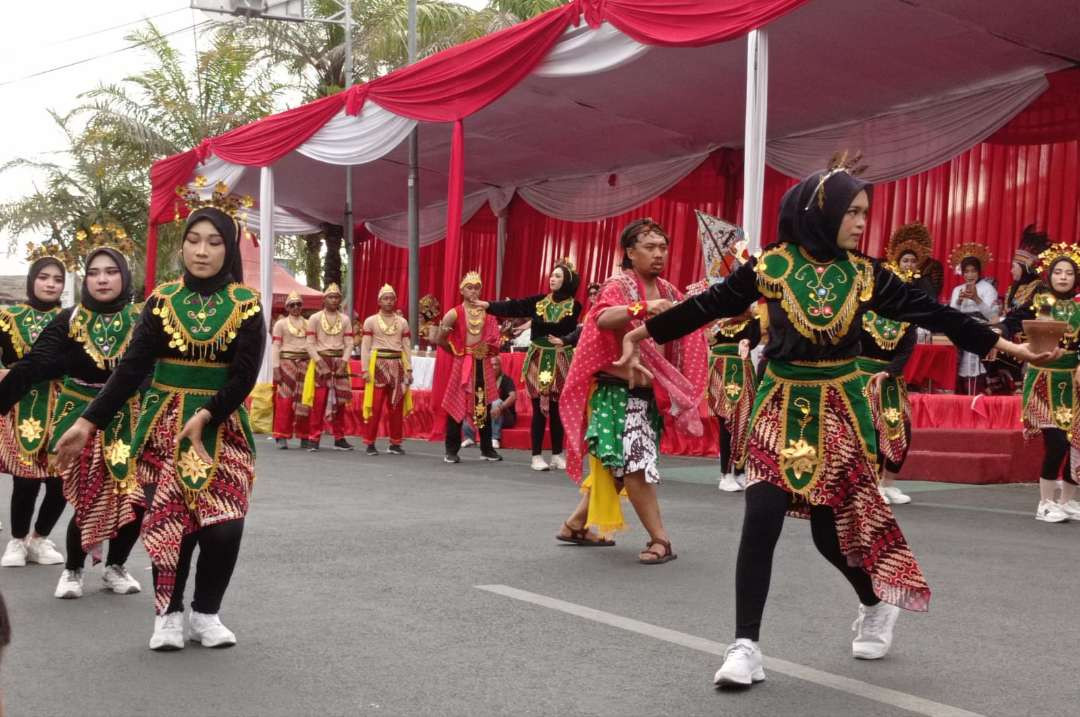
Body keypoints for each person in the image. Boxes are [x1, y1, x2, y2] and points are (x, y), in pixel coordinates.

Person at [615, 160, 1054, 687]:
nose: (862, 222)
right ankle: (745, 646)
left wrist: (1007, 346)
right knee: (762, 518)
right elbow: (708, 305)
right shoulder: (770, 266)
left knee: (830, 533)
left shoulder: (866, 274)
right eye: (853, 211)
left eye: (865, 212)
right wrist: (640, 333)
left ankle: (874, 603)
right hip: (779, 404)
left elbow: (933, 314)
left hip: (841, 409)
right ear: (819, 213)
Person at [54, 206, 266, 651]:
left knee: (225, 524)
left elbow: (244, 376)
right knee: (172, 524)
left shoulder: (247, 306)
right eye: (194, 240)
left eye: (214, 242)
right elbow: (130, 371)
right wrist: (88, 421)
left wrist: (207, 414)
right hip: (161, 426)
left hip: (221, 426)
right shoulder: (162, 301)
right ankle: (167, 615)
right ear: (183, 245)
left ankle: (206, 613)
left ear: (228, 249)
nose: (202, 250)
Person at [559, 218, 708, 562]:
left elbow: (688, 325)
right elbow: (602, 318)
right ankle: (661, 540)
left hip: (644, 395)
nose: (658, 254)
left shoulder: (670, 292)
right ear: (629, 252)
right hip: (616, 393)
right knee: (634, 465)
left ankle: (575, 524)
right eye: (649, 247)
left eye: (663, 247)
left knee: (617, 465)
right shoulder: (619, 284)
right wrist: (642, 308)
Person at [0, 248, 145, 600]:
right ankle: (73, 570)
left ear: (124, 277)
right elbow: (37, 362)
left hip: (129, 416)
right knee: (86, 496)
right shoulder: (70, 318)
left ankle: (116, 566)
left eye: (111, 271)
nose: (102, 278)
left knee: (135, 499)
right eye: (94, 272)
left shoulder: (142, 318)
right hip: (77, 417)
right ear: (85, 280)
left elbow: (155, 366)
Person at [470, 262, 582, 471]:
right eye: (552, 275)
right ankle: (536, 456)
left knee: (557, 408)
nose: (552, 279)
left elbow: (569, 331)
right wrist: (489, 305)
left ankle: (557, 453)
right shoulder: (539, 301)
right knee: (539, 407)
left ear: (566, 280)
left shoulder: (575, 306)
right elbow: (515, 306)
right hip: (538, 359)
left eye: (558, 276)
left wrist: (563, 340)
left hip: (560, 358)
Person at [1003, 241, 1080, 523]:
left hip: (1073, 381)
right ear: (1050, 275)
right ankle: (1045, 502)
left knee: (1076, 442)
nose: (1063, 276)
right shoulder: (1039, 301)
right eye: (1058, 271)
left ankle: (1067, 501)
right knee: (1057, 442)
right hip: (1043, 381)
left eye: (1069, 273)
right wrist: (1000, 330)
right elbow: (1014, 321)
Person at [0, 257, 67, 568]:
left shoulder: (73, 319)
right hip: (20, 404)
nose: (50, 283)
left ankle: (39, 539)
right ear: (32, 281)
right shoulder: (7, 317)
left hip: (62, 405)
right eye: (44, 277)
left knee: (60, 481)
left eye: (57, 279)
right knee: (25, 479)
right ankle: (17, 540)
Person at [858, 236, 922, 505]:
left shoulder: (907, 320)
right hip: (864, 377)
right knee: (870, 430)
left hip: (892, 379)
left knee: (902, 428)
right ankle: (871, 482)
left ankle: (889, 482)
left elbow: (906, 349)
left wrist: (891, 371)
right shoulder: (863, 313)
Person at [434, 271, 502, 463]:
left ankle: (487, 449)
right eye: (469, 287)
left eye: (477, 287)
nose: (473, 291)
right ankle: (451, 450)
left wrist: (486, 349)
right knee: (456, 404)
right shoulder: (454, 313)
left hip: (482, 363)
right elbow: (440, 339)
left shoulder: (487, 313)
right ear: (462, 290)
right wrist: (458, 352)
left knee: (484, 405)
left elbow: (495, 339)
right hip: (462, 363)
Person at [708, 307, 761, 493]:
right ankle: (725, 474)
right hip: (720, 370)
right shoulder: (719, 320)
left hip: (742, 370)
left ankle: (740, 471)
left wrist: (747, 341)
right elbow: (710, 339)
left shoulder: (753, 319)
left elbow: (754, 340)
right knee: (726, 420)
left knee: (745, 421)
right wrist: (723, 322)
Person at [360, 284, 413, 456]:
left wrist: (409, 369)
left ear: (395, 300)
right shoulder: (371, 321)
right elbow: (365, 347)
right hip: (378, 365)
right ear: (379, 301)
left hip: (397, 363)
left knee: (396, 406)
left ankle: (395, 443)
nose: (389, 301)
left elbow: (406, 347)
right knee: (374, 406)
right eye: (385, 298)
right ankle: (370, 442)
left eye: (391, 298)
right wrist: (364, 369)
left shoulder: (402, 322)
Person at [303, 283, 354, 451]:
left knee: (340, 402)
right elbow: (309, 344)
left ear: (340, 300)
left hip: (339, 360)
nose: (334, 300)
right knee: (318, 401)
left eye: (337, 297)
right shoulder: (315, 318)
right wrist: (319, 363)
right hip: (321, 360)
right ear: (324, 300)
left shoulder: (345, 319)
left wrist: (344, 362)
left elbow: (349, 343)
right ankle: (314, 438)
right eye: (330, 297)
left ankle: (339, 438)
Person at [948, 245, 999, 394]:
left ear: (979, 271)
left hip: (980, 329)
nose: (970, 275)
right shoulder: (957, 290)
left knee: (972, 356)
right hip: (960, 330)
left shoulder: (988, 289)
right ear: (962, 273)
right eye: (966, 271)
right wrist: (958, 301)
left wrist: (976, 299)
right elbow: (950, 315)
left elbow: (993, 317)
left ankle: (974, 393)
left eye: (973, 271)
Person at [271, 292, 310, 449]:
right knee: (285, 400)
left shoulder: (308, 323)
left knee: (305, 399)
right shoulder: (281, 324)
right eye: (292, 305)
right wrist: (275, 368)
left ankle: (304, 435)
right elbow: (275, 347)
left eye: (298, 304)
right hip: (286, 362)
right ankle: (281, 435)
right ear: (287, 307)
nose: (295, 307)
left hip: (306, 362)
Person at [463, 354, 517, 448]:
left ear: (501, 366)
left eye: (496, 365)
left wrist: (500, 407)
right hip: (487, 415)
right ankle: (469, 437)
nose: (494, 367)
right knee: (469, 402)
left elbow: (513, 396)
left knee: (496, 401)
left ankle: (495, 438)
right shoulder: (483, 380)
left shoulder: (506, 380)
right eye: (491, 365)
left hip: (505, 417)